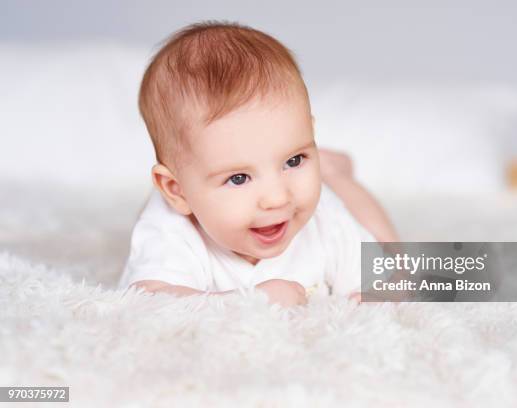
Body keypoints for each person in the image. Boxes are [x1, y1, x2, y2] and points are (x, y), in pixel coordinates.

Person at [118, 21, 398, 307]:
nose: (277, 198)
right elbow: (147, 301)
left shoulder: (324, 217)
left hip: (328, 192)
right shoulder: (170, 231)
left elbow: (387, 283)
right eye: (238, 178)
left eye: (294, 160)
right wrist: (248, 302)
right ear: (177, 191)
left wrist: (383, 290)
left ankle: (331, 170)